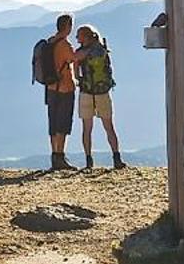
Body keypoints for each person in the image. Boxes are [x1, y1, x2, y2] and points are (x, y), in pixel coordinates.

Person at [73, 23, 124, 170]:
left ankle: (89, 161)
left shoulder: (82, 52)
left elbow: (74, 61)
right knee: (109, 127)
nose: (77, 39)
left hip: (86, 92)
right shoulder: (102, 49)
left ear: (85, 37)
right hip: (103, 92)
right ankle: (116, 158)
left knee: (87, 128)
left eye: (79, 36)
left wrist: (77, 78)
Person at [40, 13, 78, 172]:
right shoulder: (64, 44)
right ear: (68, 26)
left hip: (50, 88)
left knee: (53, 123)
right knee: (63, 124)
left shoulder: (49, 42)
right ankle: (60, 156)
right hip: (64, 88)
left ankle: (54, 155)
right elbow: (73, 58)